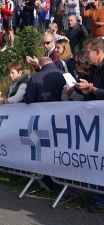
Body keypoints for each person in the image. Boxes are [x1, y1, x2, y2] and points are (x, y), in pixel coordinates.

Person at [73, 37, 104, 213]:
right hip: (95, 121)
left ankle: (100, 200)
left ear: (98, 51)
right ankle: (97, 197)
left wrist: (91, 89)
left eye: (88, 51)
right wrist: (86, 91)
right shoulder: (93, 69)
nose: (86, 54)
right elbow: (93, 96)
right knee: (95, 160)